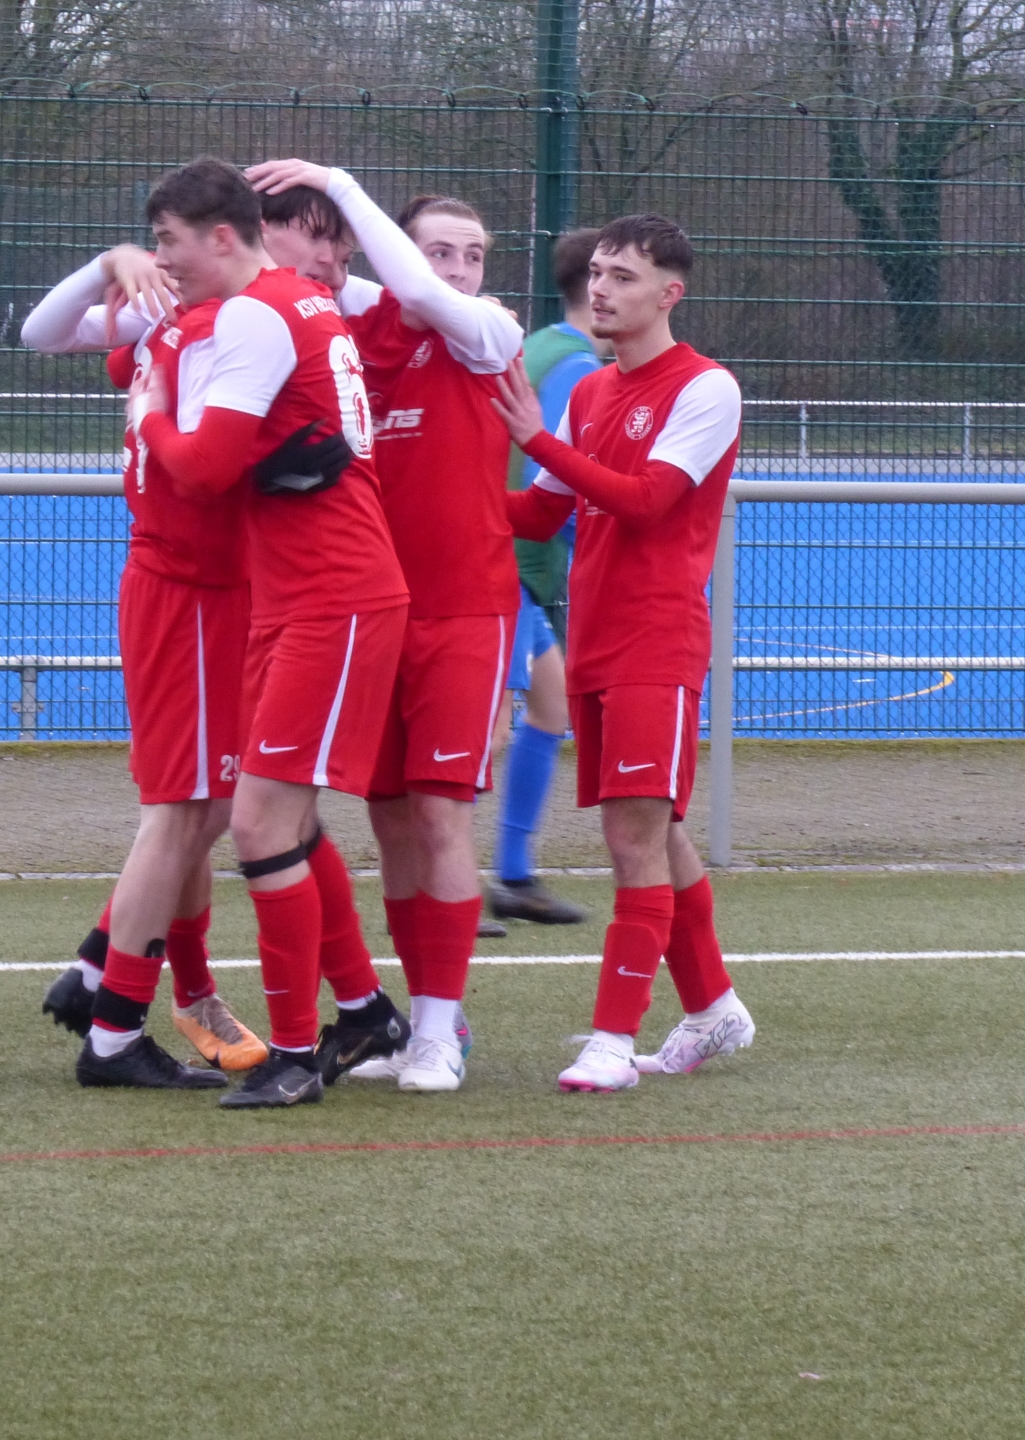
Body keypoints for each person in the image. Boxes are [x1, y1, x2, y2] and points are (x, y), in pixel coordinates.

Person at [131, 157, 413, 1109]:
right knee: (283, 821)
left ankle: (295, 1050)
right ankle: (359, 1011)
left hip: (332, 593)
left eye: (169, 241)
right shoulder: (296, 302)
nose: (163, 260)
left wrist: (150, 416)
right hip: (297, 591)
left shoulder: (259, 313)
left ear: (223, 236)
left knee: (259, 823)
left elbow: (206, 467)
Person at [248, 160, 522, 1093]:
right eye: (438, 250)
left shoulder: (487, 333)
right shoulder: (345, 330)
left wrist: (338, 183)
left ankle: (441, 1030)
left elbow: (416, 290)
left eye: (473, 254)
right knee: (393, 822)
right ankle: (419, 1021)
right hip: (371, 611)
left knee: (442, 816)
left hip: (465, 609)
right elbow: (324, 276)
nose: (457, 269)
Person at [493, 213, 757, 1092]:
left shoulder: (706, 388)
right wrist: (434, 501)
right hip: (598, 642)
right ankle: (713, 1007)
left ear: (670, 294)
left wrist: (535, 438)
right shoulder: (593, 393)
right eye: (598, 272)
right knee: (658, 832)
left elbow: (645, 501)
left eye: (623, 276)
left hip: (658, 641)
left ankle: (613, 1040)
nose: (600, 288)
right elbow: (541, 512)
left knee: (630, 836)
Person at [19, 246, 265, 1088]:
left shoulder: (252, 317)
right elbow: (42, 333)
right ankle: (117, 1029)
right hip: (190, 594)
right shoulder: (202, 323)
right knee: (188, 813)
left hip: (219, 592)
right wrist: (104, 264)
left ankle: (102, 973)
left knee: (208, 809)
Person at [487, 229, 604, 928]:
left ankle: (513, 875)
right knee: (485, 732)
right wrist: (604, 549)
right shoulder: (578, 367)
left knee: (550, 705)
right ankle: (441, 885)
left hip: (513, 564)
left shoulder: (540, 346)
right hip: (505, 564)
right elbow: (549, 479)